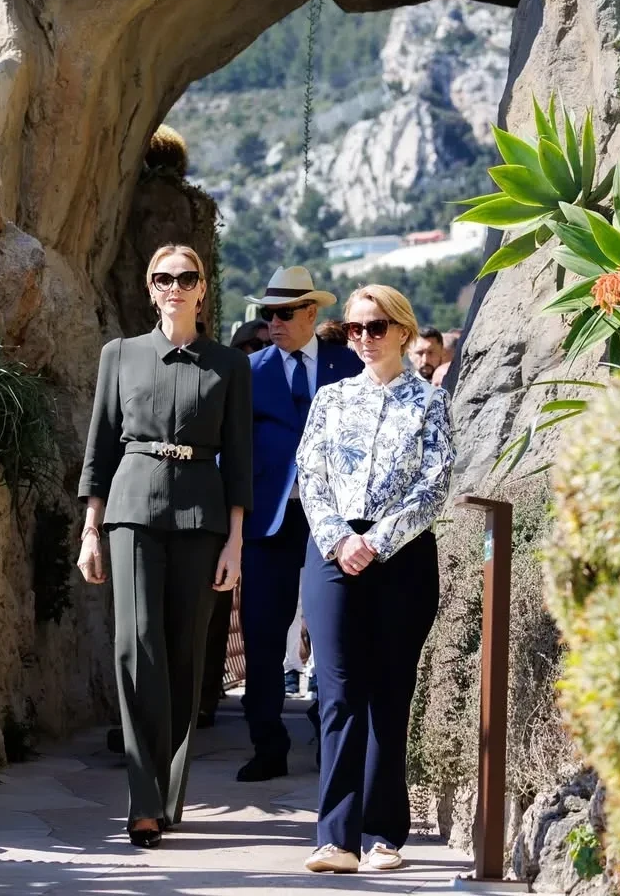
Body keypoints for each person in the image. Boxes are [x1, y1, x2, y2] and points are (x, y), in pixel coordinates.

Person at [76, 244, 252, 848]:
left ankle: (168, 792)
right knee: (135, 646)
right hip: (131, 511)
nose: (174, 286)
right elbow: (100, 447)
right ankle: (143, 799)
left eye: (186, 277)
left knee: (184, 654)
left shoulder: (230, 365)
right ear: (150, 289)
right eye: (163, 278)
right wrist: (90, 530)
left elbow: (241, 461)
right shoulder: (119, 355)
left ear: (202, 289)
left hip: (202, 518)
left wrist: (235, 544)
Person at [297, 284, 454, 874]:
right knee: (338, 694)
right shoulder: (331, 399)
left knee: (389, 694)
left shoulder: (430, 402)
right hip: (333, 554)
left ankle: (384, 835)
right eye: (354, 328)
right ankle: (335, 839)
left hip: (402, 558)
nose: (364, 337)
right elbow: (310, 475)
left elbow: (434, 483)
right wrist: (342, 540)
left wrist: (378, 541)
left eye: (376, 326)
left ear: (403, 332)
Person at [237, 265, 363, 782]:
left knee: (335, 632)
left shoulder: (348, 365)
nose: (275, 323)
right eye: (268, 314)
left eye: (286, 313)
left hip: (331, 520)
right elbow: (231, 448)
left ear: (312, 312)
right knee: (262, 634)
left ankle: (328, 734)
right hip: (269, 520)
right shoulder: (249, 371)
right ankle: (267, 745)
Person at [198, 318, 272, 729]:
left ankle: (208, 696)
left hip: (263, 510)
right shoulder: (220, 380)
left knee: (237, 612)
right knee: (211, 610)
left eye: (265, 345)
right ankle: (198, 699)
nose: (258, 352)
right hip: (214, 504)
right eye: (251, 346)